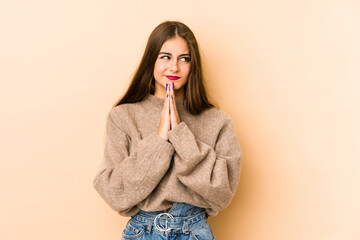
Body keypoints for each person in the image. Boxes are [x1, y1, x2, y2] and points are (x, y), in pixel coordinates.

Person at [93, 20, 242, 240]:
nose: (174, 67)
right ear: (150, 60)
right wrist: (160, 139)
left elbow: (222, 193)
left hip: (194, 231)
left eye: (184, 59)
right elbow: (113, 192)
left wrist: (180, 135)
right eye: (165, 57)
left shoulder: (217, 120)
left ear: (193, 65)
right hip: (142, 232)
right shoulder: (122, 117)